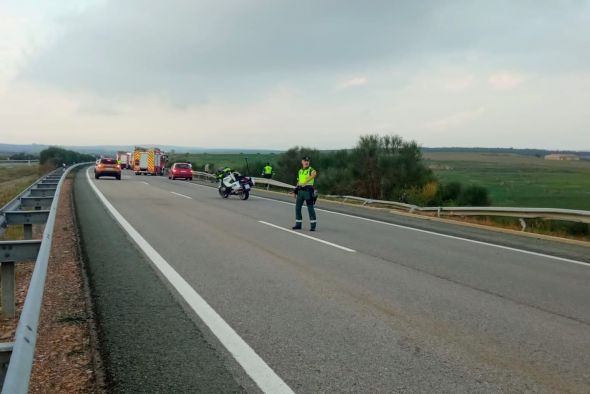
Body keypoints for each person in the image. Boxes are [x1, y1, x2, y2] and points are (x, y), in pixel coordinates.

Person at [292, 156, 317, 231]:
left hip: (308, 191)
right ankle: (298, 224)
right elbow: (298, 182)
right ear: (302, 162)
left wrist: (305, 182)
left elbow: (314, 174)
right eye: (305, 161)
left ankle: (313, 226)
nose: (306, 162)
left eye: (308, 161)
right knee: (297, 208)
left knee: (310, 208)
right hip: (300, 192)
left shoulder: (311, 170)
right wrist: (295, 191)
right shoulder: (300, 171)